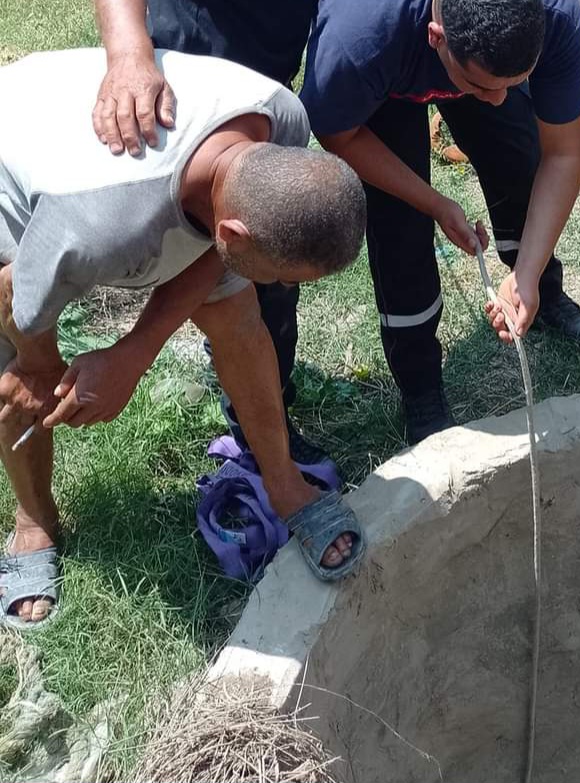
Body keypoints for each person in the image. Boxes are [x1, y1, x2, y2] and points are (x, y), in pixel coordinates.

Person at [0, 48, 368, 628]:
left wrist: (134, 352)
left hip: (112, 160)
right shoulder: (100, 227)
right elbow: (12, 295)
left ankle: (284, 483)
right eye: (275, 272)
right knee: (15, 378)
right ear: (234, 231)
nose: (273, 284)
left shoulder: (281, 120)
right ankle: (34, 516)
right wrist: (39, 368)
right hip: (18, 170)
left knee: (239, 319)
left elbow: (212, 248)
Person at [301, 0, 580, 444]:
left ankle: (542, 292)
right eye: (481, 85)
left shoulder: (554, 15)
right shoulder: (363, 37)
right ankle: (421, 384)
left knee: (519, 153)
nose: (497, 98)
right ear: (437, 36)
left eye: (514, 81)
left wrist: (528, 273)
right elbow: (337, 133)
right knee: (400, 225)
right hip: (390, 72)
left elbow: (563, 154)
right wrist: (434, 203)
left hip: (465, 52)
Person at [93, 0, 329, 463]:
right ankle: (257, 434)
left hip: (266, 85)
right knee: (218, 280)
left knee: (269, 278)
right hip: (180, 90)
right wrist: (127, 52)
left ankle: (268, 417)